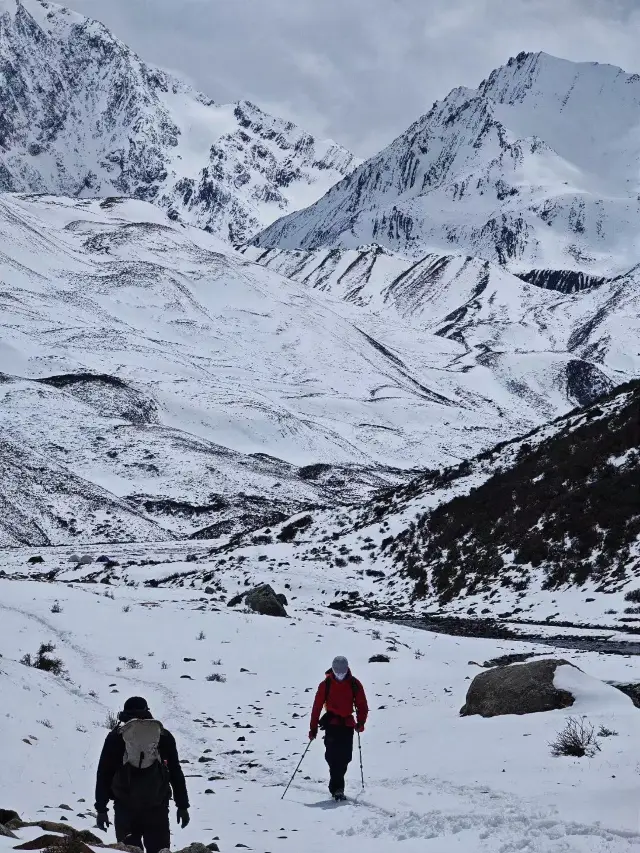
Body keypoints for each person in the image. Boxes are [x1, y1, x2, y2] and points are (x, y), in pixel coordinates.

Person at [95, 696, 190, 853]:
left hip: (125, 808)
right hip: (157, 807)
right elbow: (175, 771)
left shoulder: (116, 737)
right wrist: (182, 805)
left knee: (129, 850)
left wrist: (101, 808)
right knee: (159, 850)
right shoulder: (163, 736)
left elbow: (104, 773)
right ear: (147, 712)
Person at [309, 656, 369, 800]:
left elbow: (362, 704)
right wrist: (313, 728)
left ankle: (337, 785)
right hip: (332, 723)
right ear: (333, 669)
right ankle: (337, 788)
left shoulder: (354, 684)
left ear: (347, 668)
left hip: (348, 724)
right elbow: (317, 707)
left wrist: (361, 722)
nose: (340, 674)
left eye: (343, 670)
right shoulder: (326, 684)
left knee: (346, 757)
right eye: (337, 671)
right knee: (332, 756)